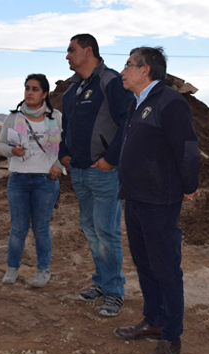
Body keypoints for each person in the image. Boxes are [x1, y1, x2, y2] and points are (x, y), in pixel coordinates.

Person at [113, 46, 200, 354]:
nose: (123, 71)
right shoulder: (138, 103)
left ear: (145, 70)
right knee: (145, 264)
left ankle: (171, 338)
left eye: (128, 65)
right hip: (135, 198)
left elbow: (188, 149)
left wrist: (189, 185)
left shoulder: (170, 102)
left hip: (160, 201)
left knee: (165, 269)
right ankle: (154, 321)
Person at [59, 33, 134, 316]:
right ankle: (101, 282)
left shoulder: (110, 81)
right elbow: (66, 127)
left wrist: (110, 159)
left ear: (88, 51)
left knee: (107, 233)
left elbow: (128, 121)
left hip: (103, 174)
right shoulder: (72, 90)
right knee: (91, 232)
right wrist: (64, 153)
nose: (67, 56)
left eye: (71, 50)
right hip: (78, 172)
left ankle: (114, 292)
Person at [0, 74, 63, 288]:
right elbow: (0, 146)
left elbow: (68, 144)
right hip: (18, 180)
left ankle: (43, 270)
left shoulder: (56, 117)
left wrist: (59, 165)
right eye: (27, 88)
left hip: (46, 179)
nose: (30, 92)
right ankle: (12, 268)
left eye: (35, 89)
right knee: (18, 228)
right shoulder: (14, 118)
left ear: (44, 94)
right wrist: (12, 151)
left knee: (41, 228)